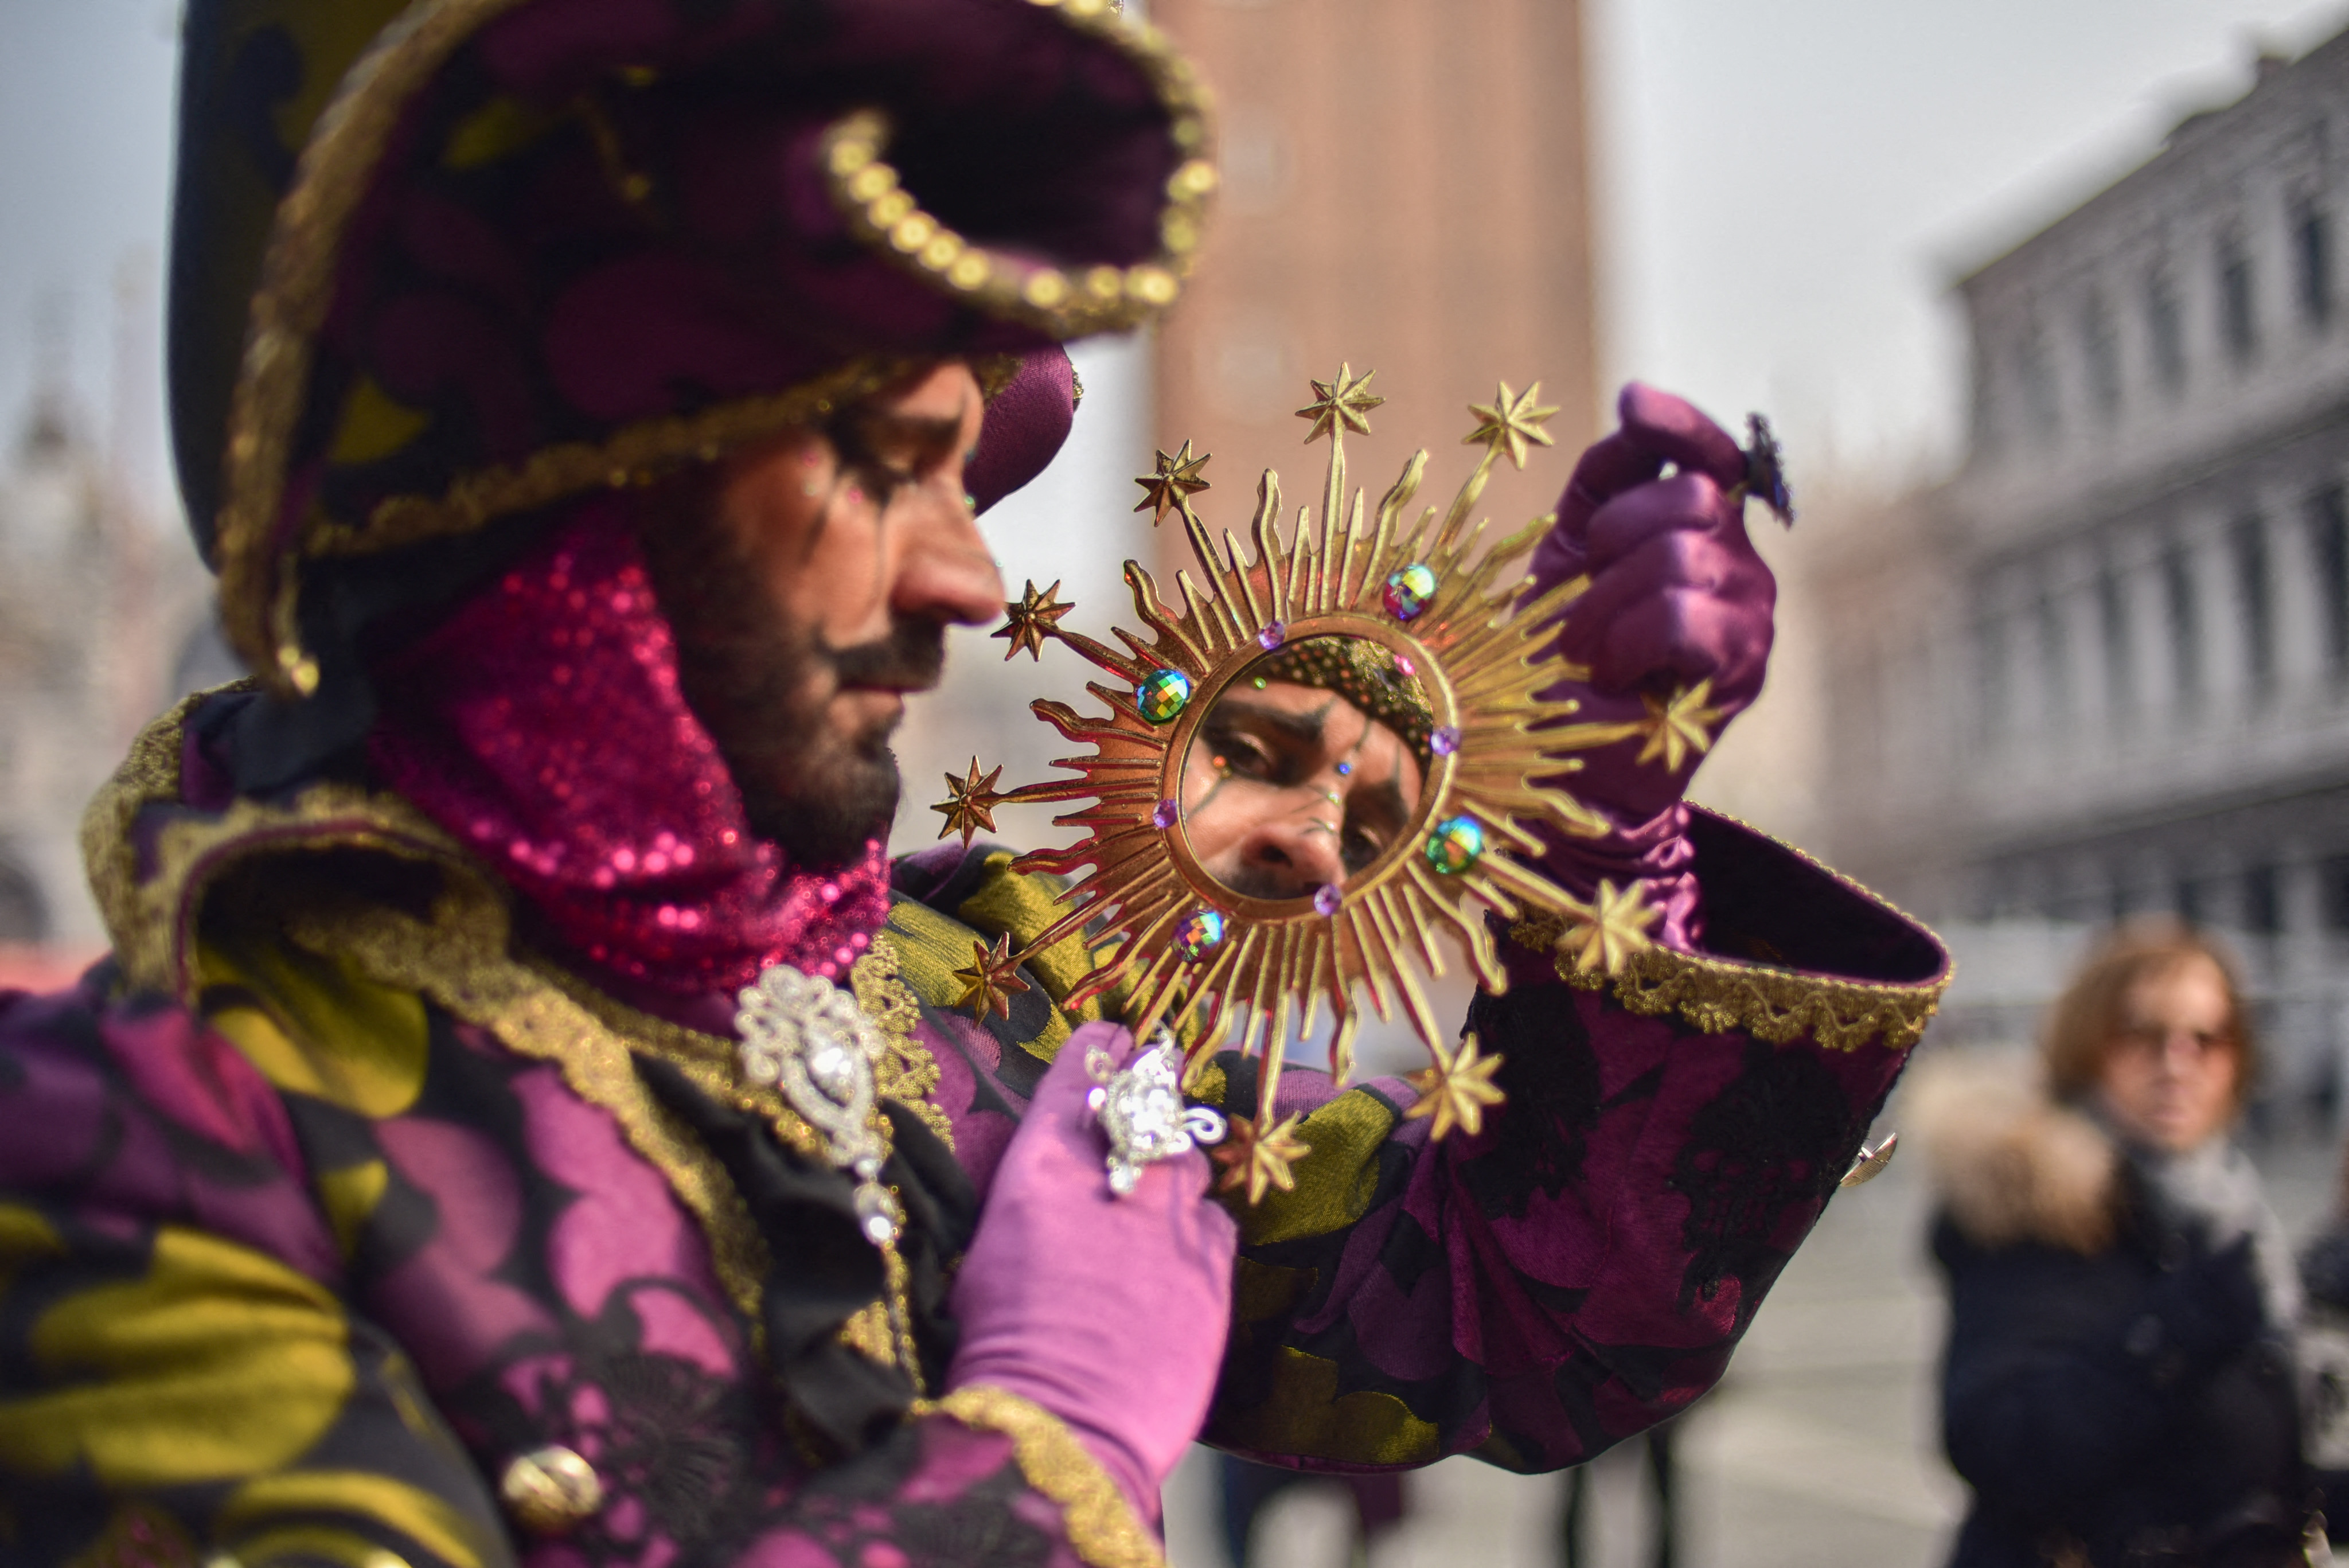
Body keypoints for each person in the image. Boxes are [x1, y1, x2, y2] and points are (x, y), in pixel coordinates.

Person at [0, 0, 1950, 1561]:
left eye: (969, 468)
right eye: (874, 455)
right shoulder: (148, 1149)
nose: (966, 574)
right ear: (558, 488)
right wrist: (1047, 1461)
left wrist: (1613, 842)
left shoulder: (974, 1017)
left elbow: (1528, 1318)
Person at [1916, 921, 2308, 1568]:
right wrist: (2171, 1333)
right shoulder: (2039, 1204)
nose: (2176, 1063)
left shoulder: (2231, 1214)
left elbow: (2247, 1476)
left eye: (2208, 1039)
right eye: (2144, 1035)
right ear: (2085, 1044)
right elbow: (2000, 1444)